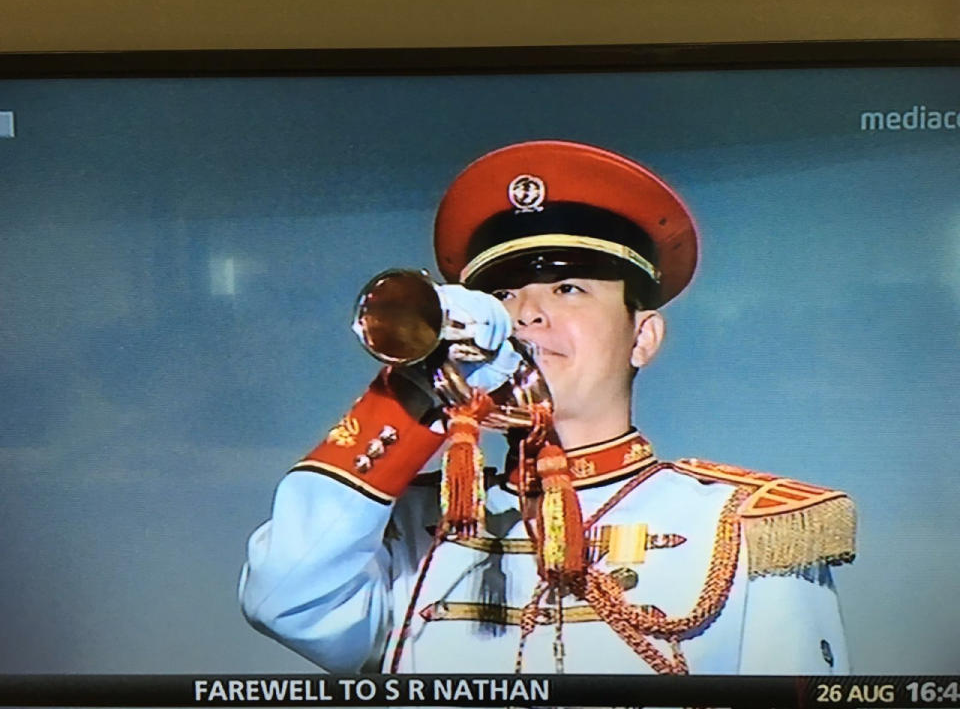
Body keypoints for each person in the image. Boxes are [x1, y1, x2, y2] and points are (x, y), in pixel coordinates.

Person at [238, 140, 855, 675]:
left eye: (568, 288)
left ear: (643, 336)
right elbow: (286, 598)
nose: (527, 315)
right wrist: (421, 388)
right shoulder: (407, 523)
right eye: (503, 295)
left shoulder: (746, 527)